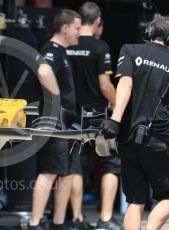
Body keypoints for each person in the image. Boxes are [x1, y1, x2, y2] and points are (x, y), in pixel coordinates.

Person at [101, 16, 169, 230]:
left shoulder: (130, 50)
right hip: (160, 138)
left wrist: (114, 120)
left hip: (128, 137)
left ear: (149, 33)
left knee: (135, 200)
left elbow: (125, 85)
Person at [65, 2, 122, 229]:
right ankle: (105, 220)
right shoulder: (100, 47)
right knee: (110, 164)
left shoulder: (67, 45)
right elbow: (105, 85)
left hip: (70, 116)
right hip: (97, 116)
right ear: (98, 21)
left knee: (76, 166)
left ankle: (77, 218)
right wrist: (119, 106)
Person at [29, 9, 81, 230]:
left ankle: (58, 223)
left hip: (67, 120)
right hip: (54, 119)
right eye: (77, 29)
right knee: (49, 171)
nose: (79, 33)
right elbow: (42, 71)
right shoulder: (51, 50)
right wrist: (57, 97)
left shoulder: (62, 52)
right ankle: (35, 223)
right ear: (65, 28)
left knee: (67, 173)